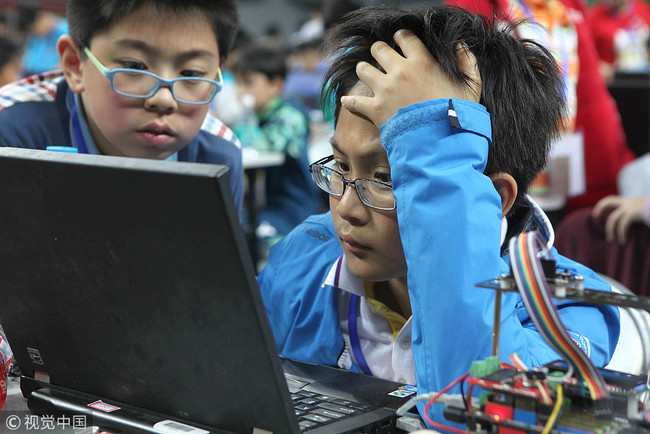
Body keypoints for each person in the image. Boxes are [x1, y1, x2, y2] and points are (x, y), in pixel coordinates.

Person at [256, 4, 620, 430]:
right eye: (340, 166)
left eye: (389, 179)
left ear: (492, 197)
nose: (347, 210)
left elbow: (481, 410)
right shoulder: (305, 255)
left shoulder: (568, 309)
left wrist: (434, 149)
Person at [0, 0, 244, 210]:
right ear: (75, 64)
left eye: (192, 72)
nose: (163, 99)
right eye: (135, 67)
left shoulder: (218, 155)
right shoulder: (10, 135)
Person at [447, 0, 635, 212]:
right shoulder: (474, 5)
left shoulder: (567, 8)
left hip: (564, 159)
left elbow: (591, 95)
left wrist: (609, 172)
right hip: (499, 167)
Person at [232, 44, 321, 246]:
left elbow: (265, 145)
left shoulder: (291, 114)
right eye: (238, 84)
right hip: (267, 206)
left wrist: (244, 118)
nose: (240, 92)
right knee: (230, 226)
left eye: (248, 83)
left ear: (276, 84)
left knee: (246, 237)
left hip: (293, 210)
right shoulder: (259, 116)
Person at [588, 0, 650, 77]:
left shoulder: (643, 10)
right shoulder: (594, 17)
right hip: (615, 80)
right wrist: (599, 65)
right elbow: (587, 53)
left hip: (644, 77)